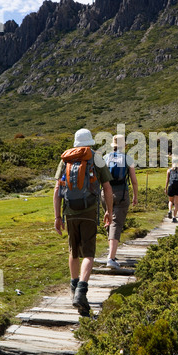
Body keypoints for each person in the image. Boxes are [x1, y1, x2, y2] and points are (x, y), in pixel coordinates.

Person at [53, 128, 113, 317]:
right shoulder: (97, 157)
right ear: (90, 141)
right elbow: (107, 187)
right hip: (88, 210)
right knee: (88, 253)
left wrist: (57, 217)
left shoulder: (66, 158)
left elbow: (57, 189)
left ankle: (73, 287)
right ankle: (81, 290)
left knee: (73, 250)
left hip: (69, 210)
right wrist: (108, 211)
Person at [102, 134, 138, 269]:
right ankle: (111, 257)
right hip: (121, 193)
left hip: (105, 193)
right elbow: (133, 180)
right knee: (116, 223)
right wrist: (135, 195)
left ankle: (112, 252)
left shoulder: (105, 158)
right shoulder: (128, 159)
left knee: (108, 219)